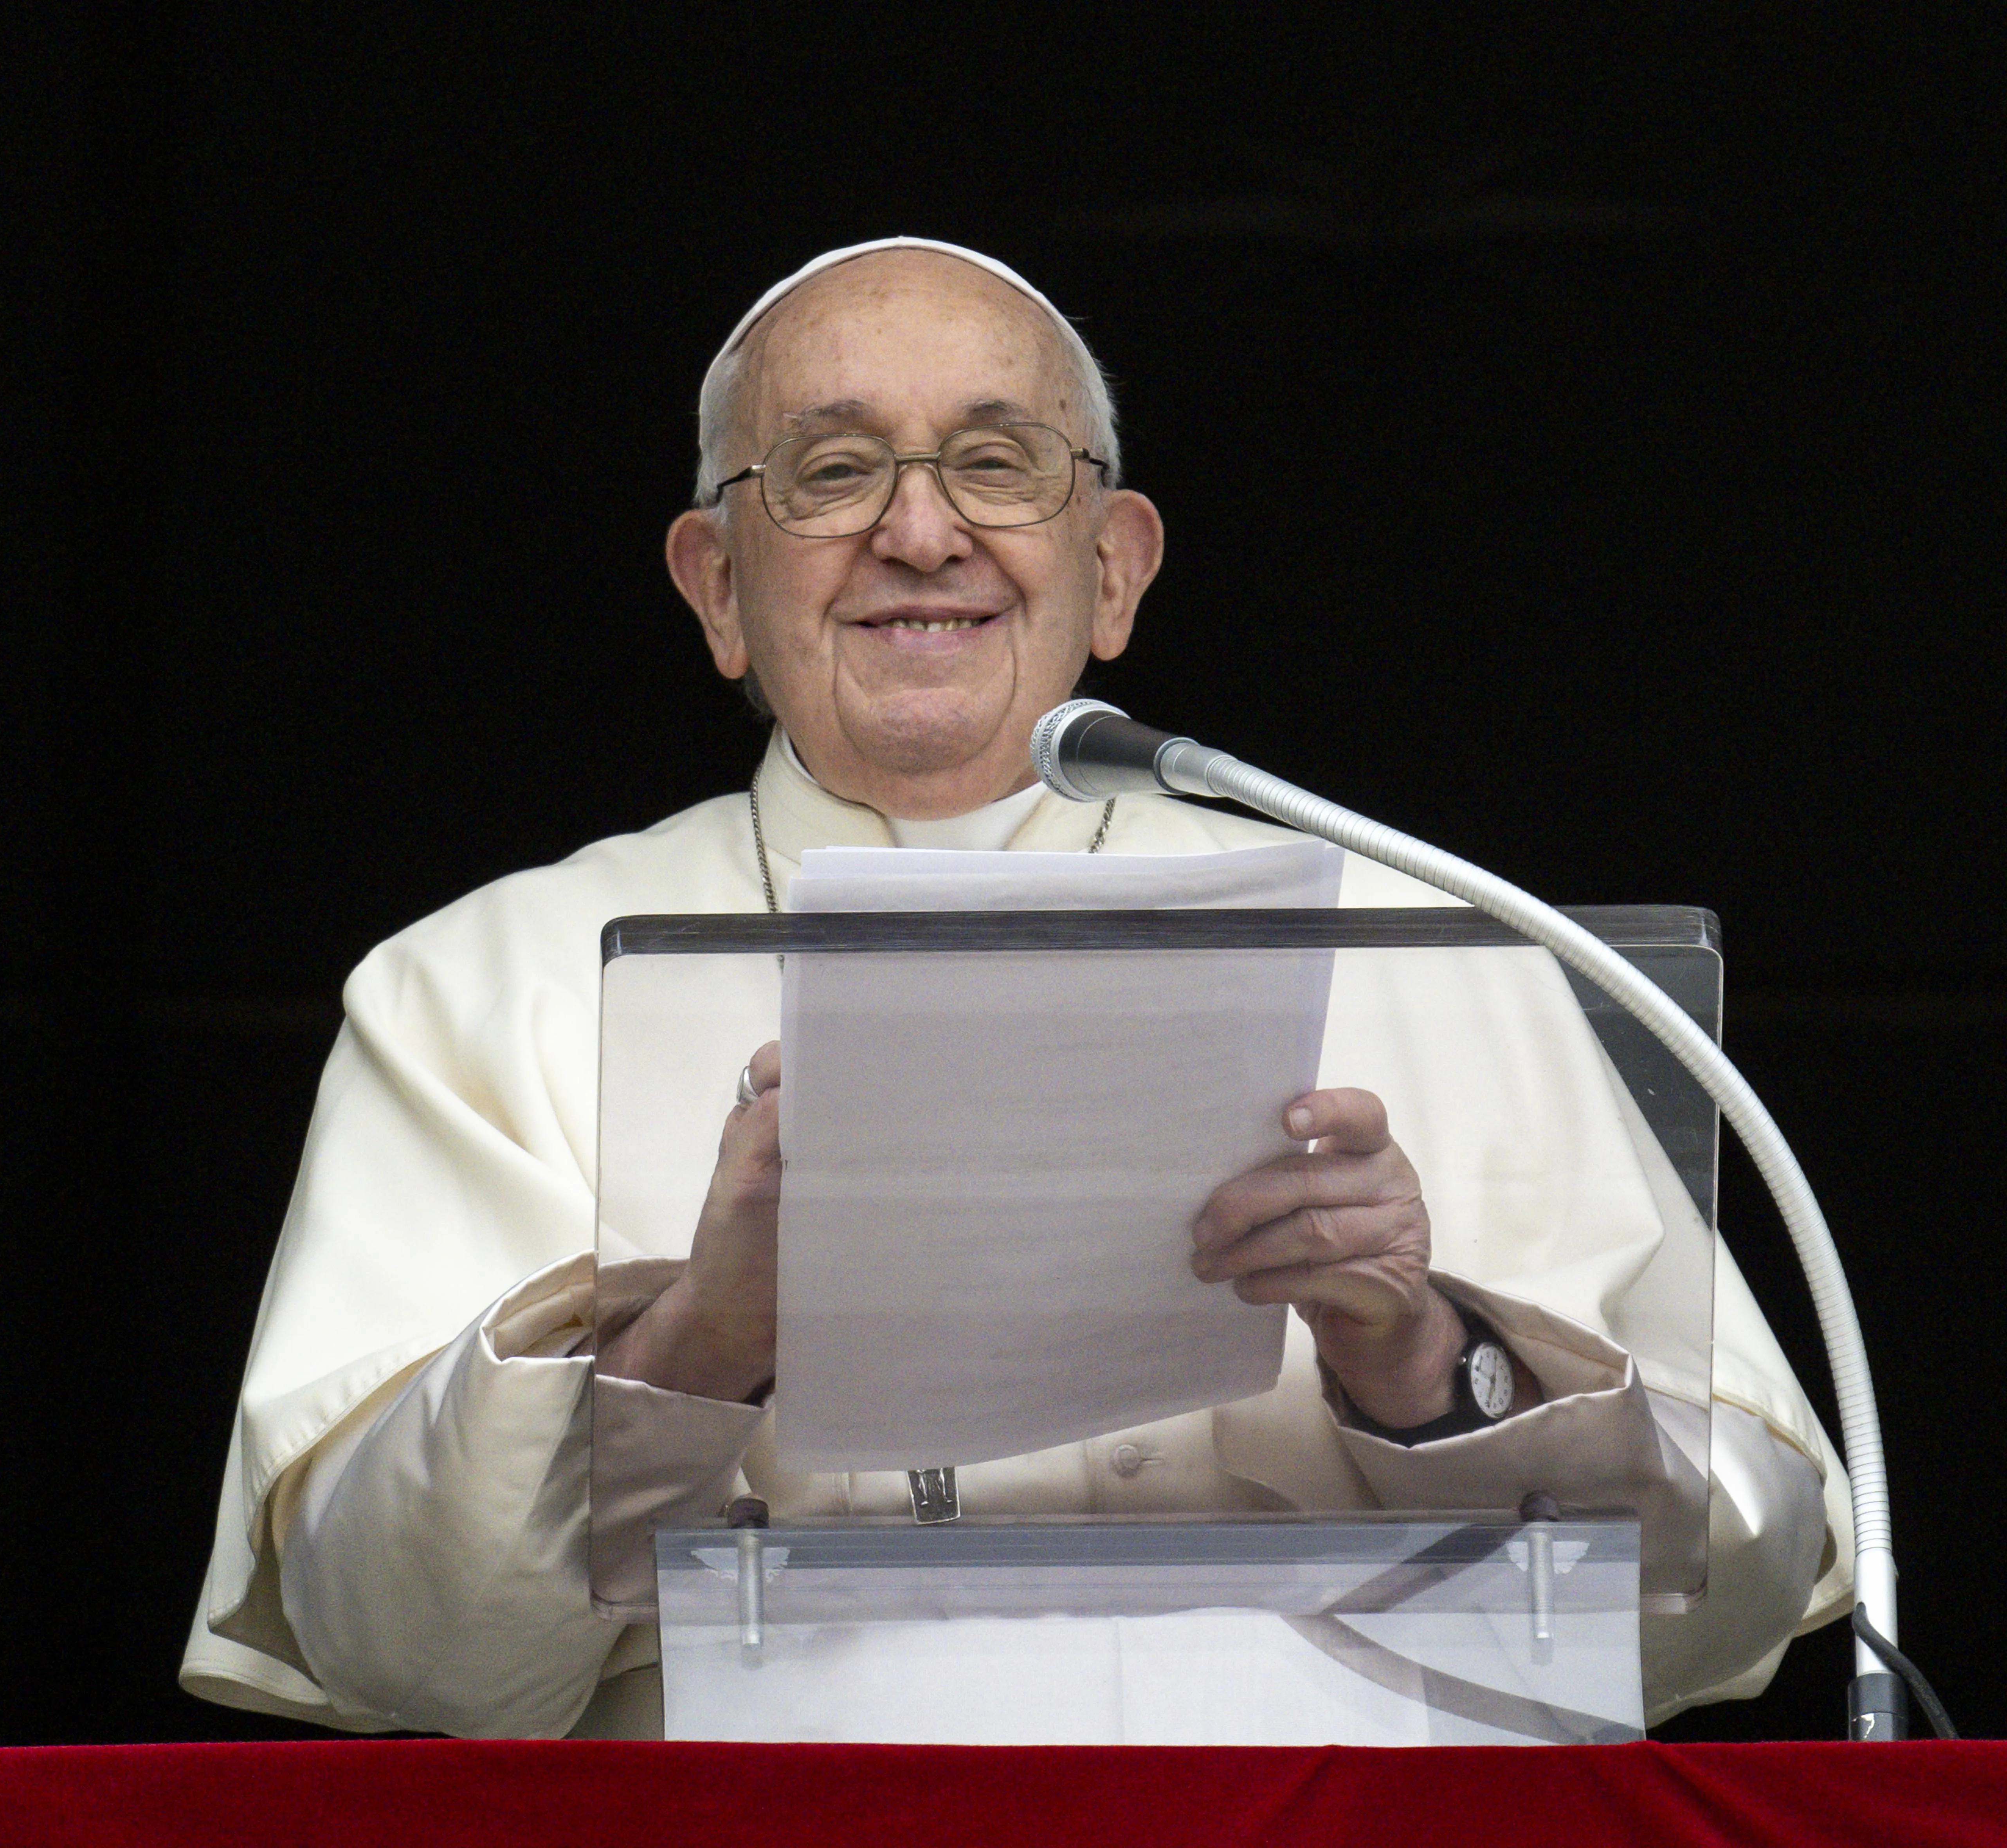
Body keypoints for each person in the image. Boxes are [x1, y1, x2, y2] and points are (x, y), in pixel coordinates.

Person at [180, 238, 1853, 1739]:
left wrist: (1425, 1361)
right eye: (834, 472)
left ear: (1114, 566)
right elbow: (399, 1647)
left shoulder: (1436, 937)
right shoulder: (483, 981)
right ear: (715, 588)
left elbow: (1724, 1604)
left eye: (997, 462)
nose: (922, 532)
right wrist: (699, 1339)